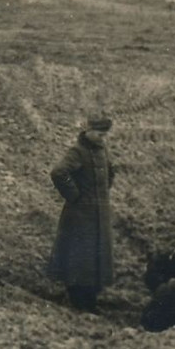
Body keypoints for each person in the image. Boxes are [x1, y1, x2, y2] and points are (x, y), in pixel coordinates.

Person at [48, 114, 116, 312]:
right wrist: (74, 195)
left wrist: (102, 192)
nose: (103, 138)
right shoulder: (78, 152)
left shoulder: (103, 150)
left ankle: (91, 299)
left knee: (97, 257)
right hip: (80, 215)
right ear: (88, 131)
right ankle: (77, 300)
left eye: (105, 135)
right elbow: (58, 172)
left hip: (100, 214)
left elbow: (110, 172)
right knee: (79, 258)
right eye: (99, 134)